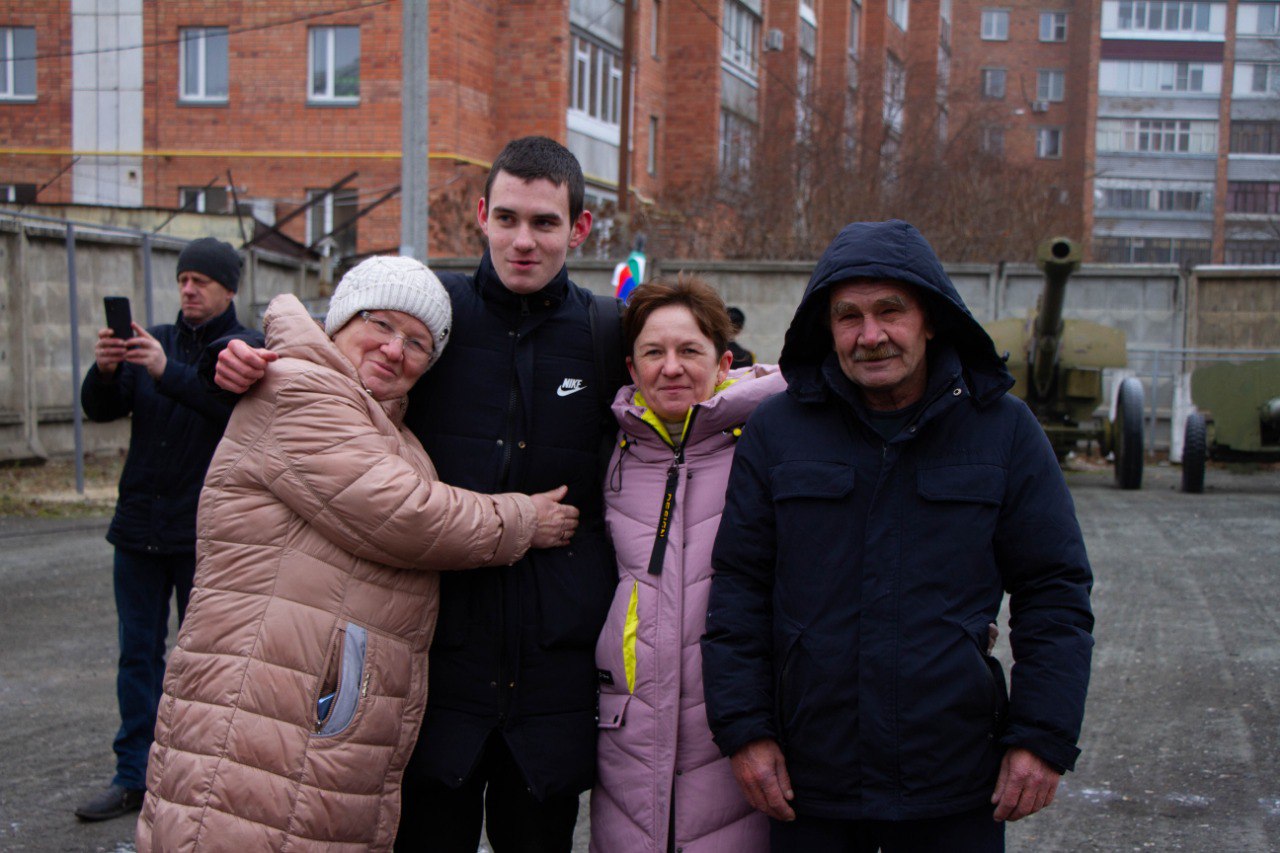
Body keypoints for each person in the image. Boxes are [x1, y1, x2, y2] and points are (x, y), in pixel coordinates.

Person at [211, 136, 621, 852]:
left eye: (545, 223)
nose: (523, 240)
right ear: (481, 215)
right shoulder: (437, 316)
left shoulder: (606, 334)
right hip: (434, 669)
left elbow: (691, 387)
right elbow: (338, 352)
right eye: (508, 218)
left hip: (553, 676)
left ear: (579, 229)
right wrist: (247, 352)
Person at [136, 256, 580, 851]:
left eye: (418, 342)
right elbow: (407, 515)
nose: (396, 350)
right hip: (259, 723)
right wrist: (527, 519)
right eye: (380, 324)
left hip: (298, 720)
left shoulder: (384, 426)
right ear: (338, 322)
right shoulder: (300, 389)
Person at [701, 220, 1095, 852]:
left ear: (931, 318)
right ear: (826, 329)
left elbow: (1055, 591)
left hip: (956, 779)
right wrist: (745, 731)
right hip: (812, 781)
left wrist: (1042, 736)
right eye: (848, 316)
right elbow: (739, 593)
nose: (871, 335)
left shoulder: (1004, 431)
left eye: (891, 311)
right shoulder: (778, 432)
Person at [590, 276, 783, 853]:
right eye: (654, 352)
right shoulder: (610, 454)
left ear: (723, 361)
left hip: (734, 733)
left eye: (689, 351)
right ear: (631, 365)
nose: (670, 368)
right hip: (627, 738)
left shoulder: (768, 446)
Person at [75, 237, 251, 822]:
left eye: (201, 280)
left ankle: (200, 779)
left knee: (205, 664)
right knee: (137, 658)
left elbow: (226, 408)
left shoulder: (244, 346)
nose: (189, 289)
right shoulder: (152, 340)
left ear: (230, 288)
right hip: (138, 529)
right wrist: (104, 374)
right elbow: (101, 409)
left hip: (204, 536)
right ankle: (133, 776)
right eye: (182, 279)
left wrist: (164, 370)